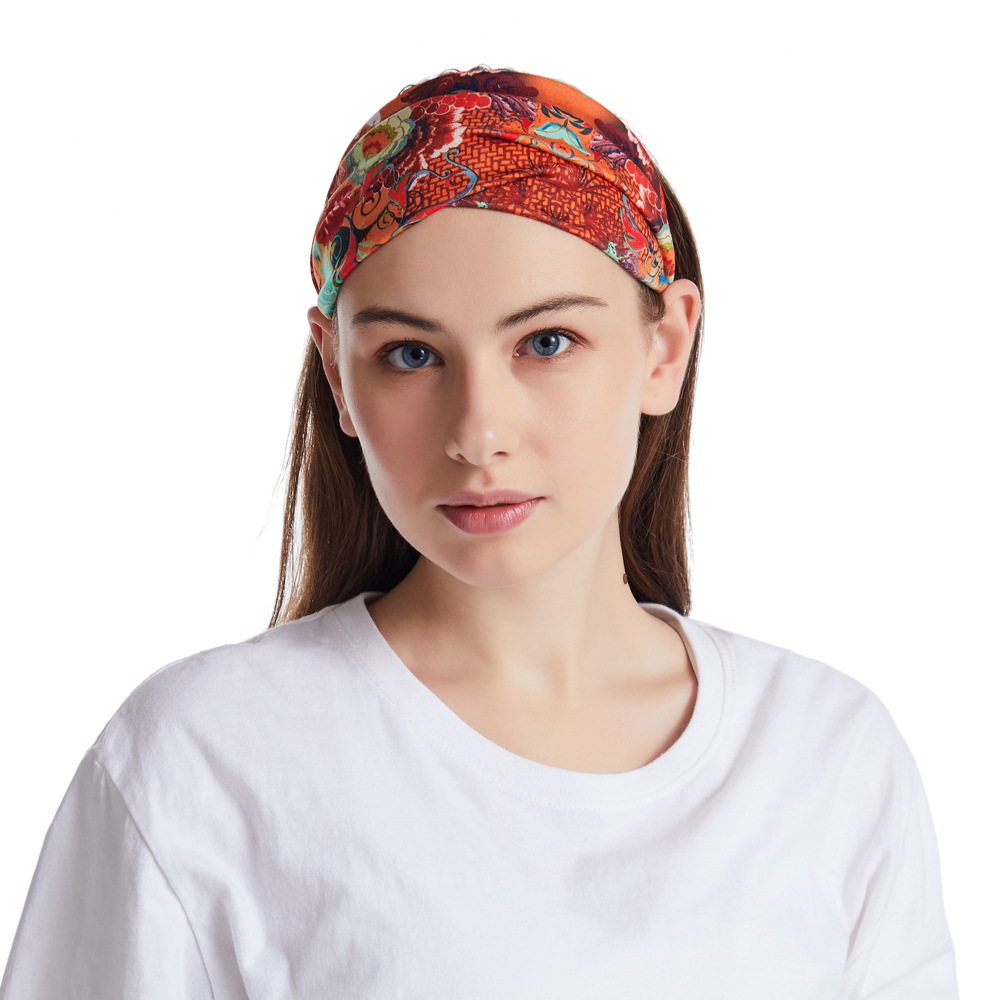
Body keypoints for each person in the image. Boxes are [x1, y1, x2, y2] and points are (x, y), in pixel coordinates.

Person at [0, 67, 958, 999]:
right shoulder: (200, 760)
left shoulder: (828, 756)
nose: (478, 432)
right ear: (338, 376)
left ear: (664, 348)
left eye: (546, 342)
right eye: (411, 354)